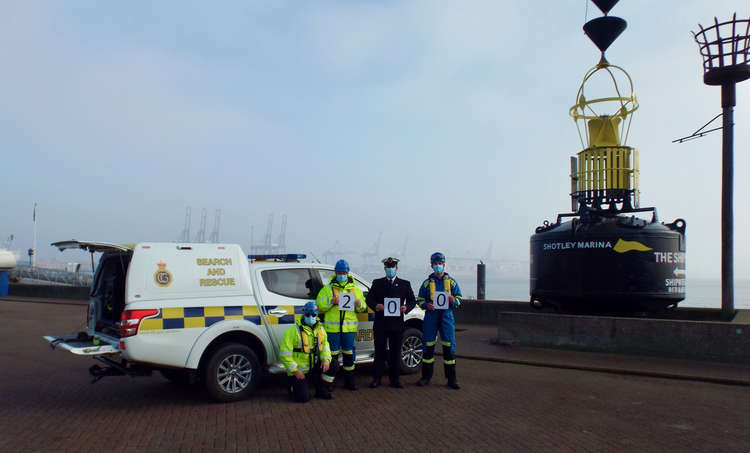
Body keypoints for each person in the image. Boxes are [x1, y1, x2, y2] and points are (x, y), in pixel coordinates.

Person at [316, 259, 367, 391]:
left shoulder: (355, 289)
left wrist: (359, 304)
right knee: (332, 356)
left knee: (349, 356)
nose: (342, 275)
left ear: (348, 273)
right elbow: (320, 306)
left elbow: (363, 307)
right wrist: (331, 301)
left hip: (348, 329)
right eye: (339, 272)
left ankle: (349, 382)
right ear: (335, 273)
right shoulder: (327, 289)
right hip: (332, 329)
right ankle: (329, 383)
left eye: (344, 272)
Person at [365, 257, 416, 389]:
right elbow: (369, 299)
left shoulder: (405, 284)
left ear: (396, 268)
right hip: (381, 323)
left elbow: (412, 300)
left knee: (395, 353)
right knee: (379, 353)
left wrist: (406, 308)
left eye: (392, 267)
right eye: (388, 267)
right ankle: (377, 378)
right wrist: (376, 306)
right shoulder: (377, 283)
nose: (390, 269)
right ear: (384, 268)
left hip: (397, 324)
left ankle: (395, 379)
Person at [416, 252, 463, 389]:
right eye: (435, 264)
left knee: (449, 348)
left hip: (447, 317)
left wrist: (454, 300)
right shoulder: (426, 283)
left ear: (444, 265)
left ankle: (451, 379)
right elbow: (419, 299)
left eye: (440, 264)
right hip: (431, 316)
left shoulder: (452, 282)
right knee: (428, 347)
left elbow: (459, 299)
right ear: (431, 265)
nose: (438, 266)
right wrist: (426, 305)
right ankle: (426, 377)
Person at [279, 301, 332, 402]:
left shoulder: (321, 329)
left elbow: (325, 346)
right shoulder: (293, 331)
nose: (311, 317)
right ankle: (291, 387)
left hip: (314, 368)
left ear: (317, 315)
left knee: (333, 364)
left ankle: (322, 388)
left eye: (313, 314)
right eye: (308, 314)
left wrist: (326, 360)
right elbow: (284, 355)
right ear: (304, 314)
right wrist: (295, 371)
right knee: (303, 399)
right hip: (299, 371)